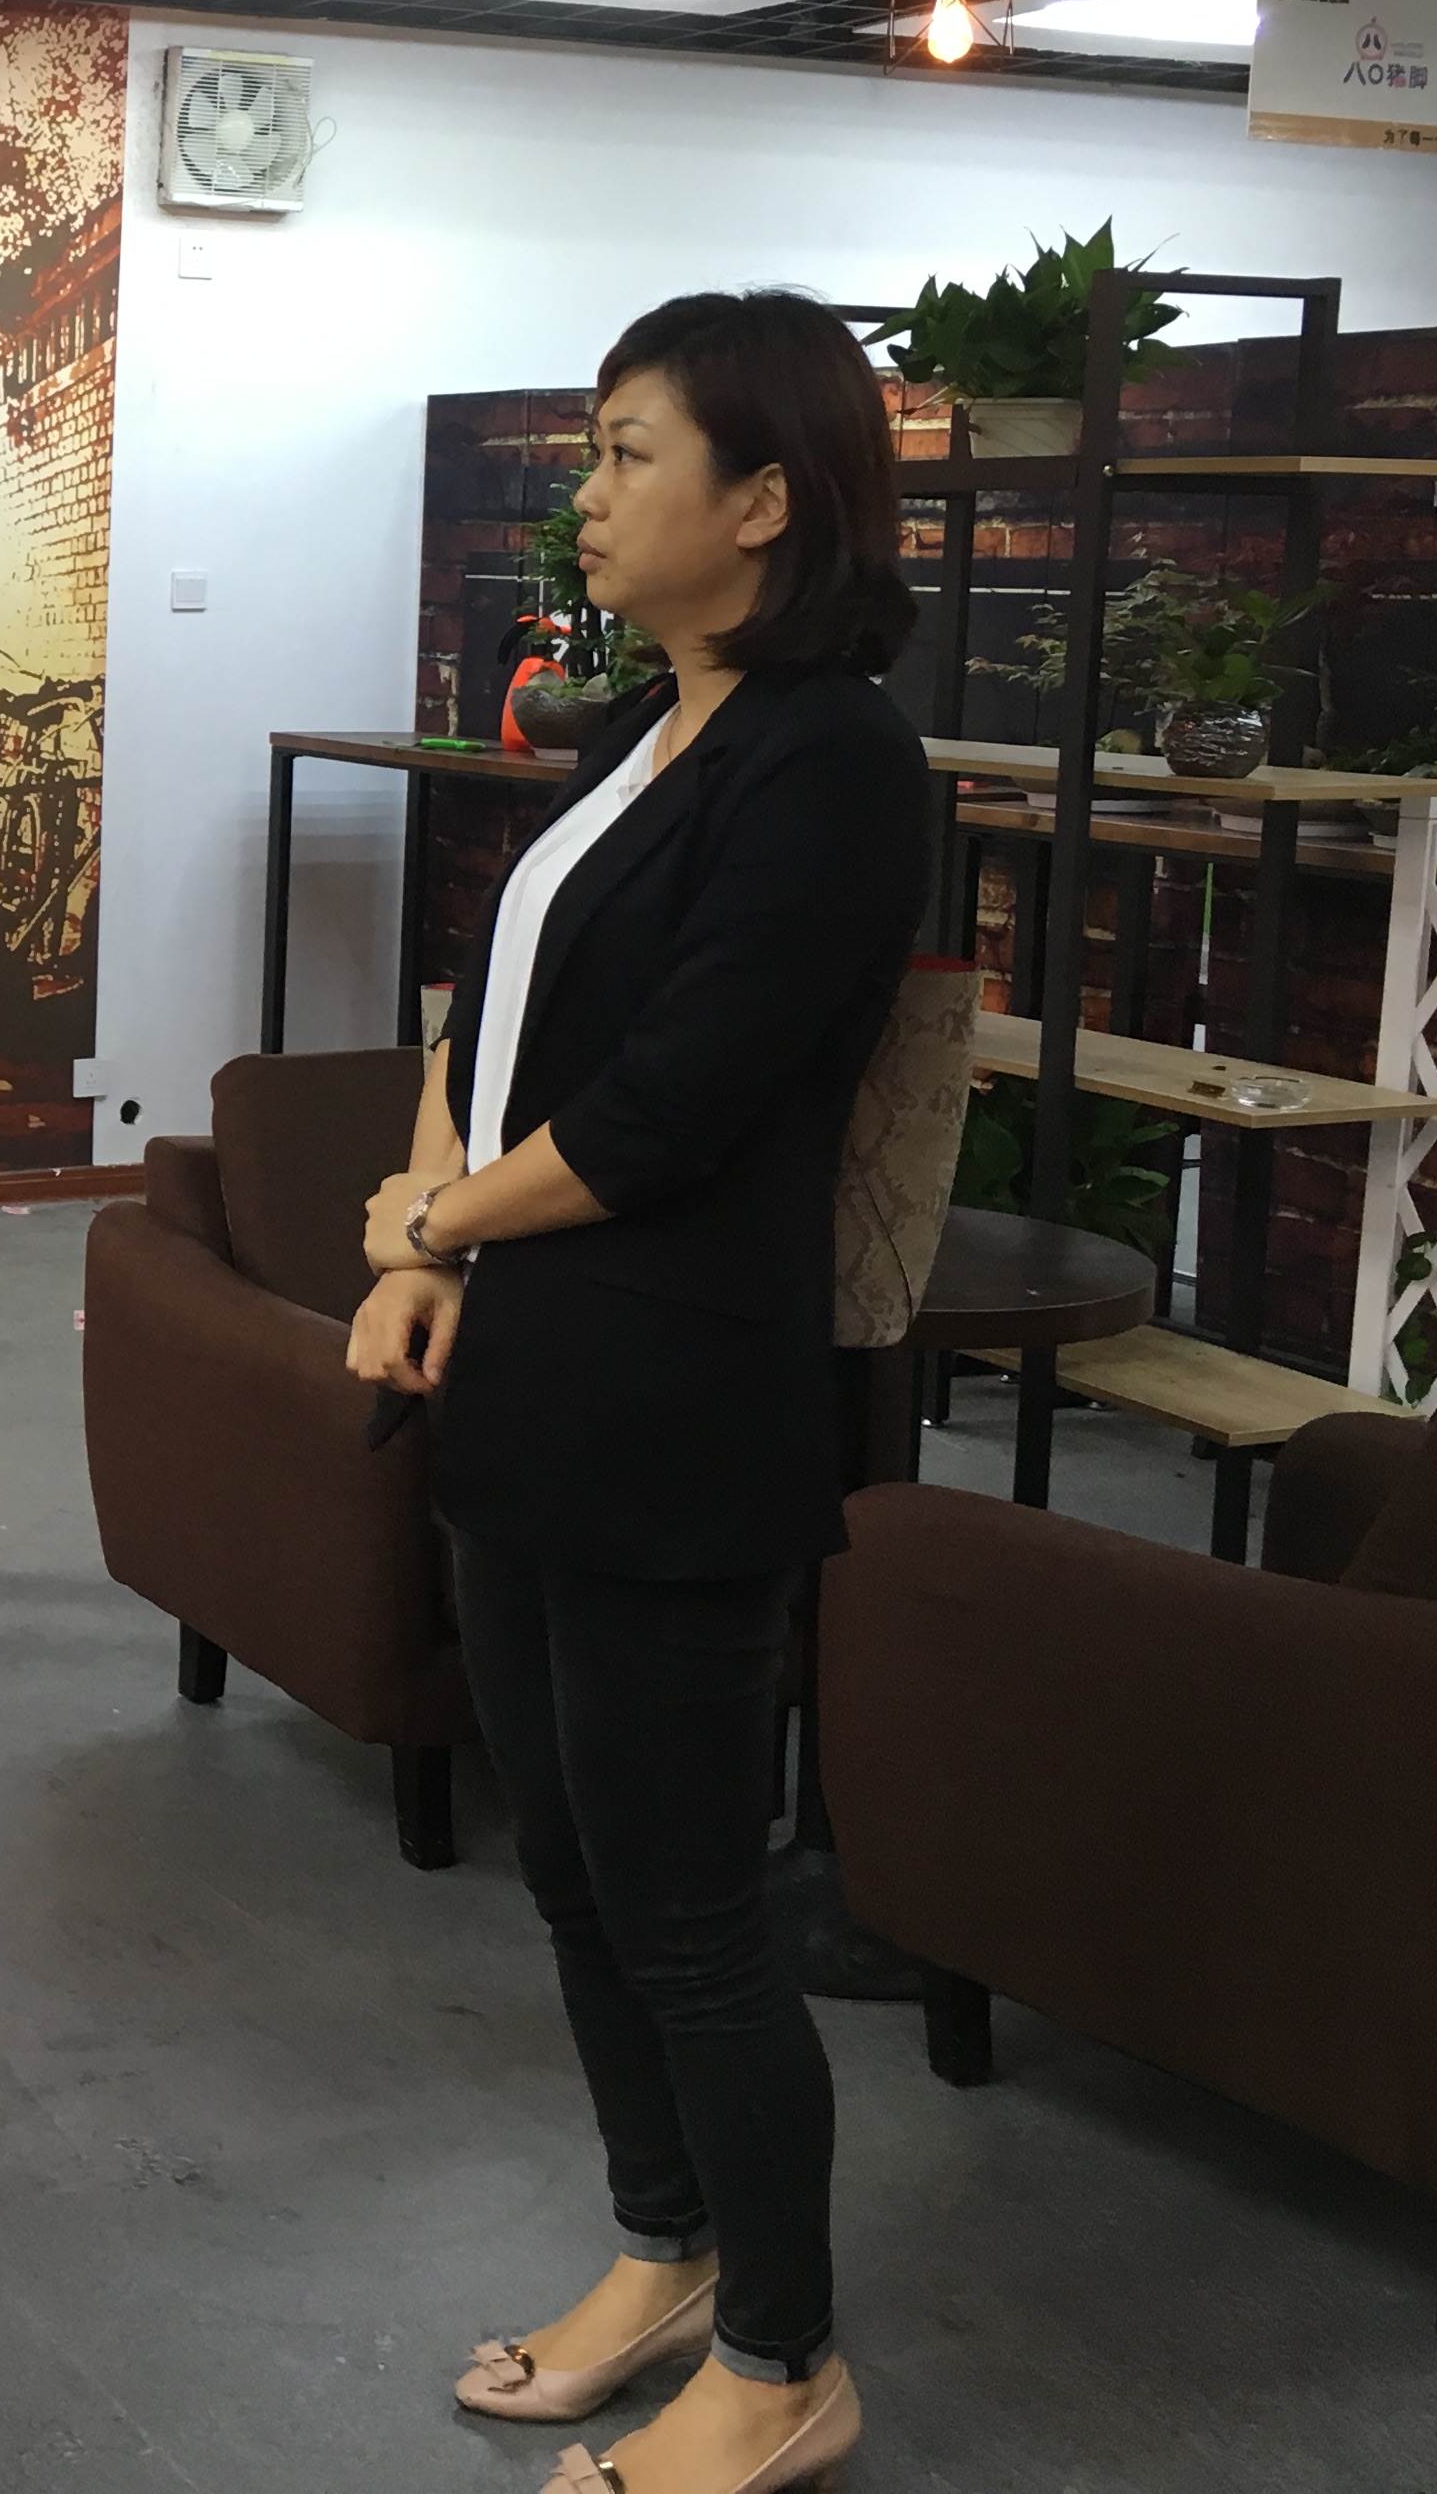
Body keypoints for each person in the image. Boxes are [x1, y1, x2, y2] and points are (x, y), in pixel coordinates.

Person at [347, 290, 927, 2494]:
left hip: (679, 1411)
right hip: (528, 1387)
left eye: (622, 454)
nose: (580, 496)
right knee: (578, 1876)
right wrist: (424, 1234)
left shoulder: (833, 766)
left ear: (764, 499)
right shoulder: (633, 738)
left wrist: (433, 1224)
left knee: (690, 1906)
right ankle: (668, 2250)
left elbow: (674, 1107)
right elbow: (482, 1020)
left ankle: (784, 2359)